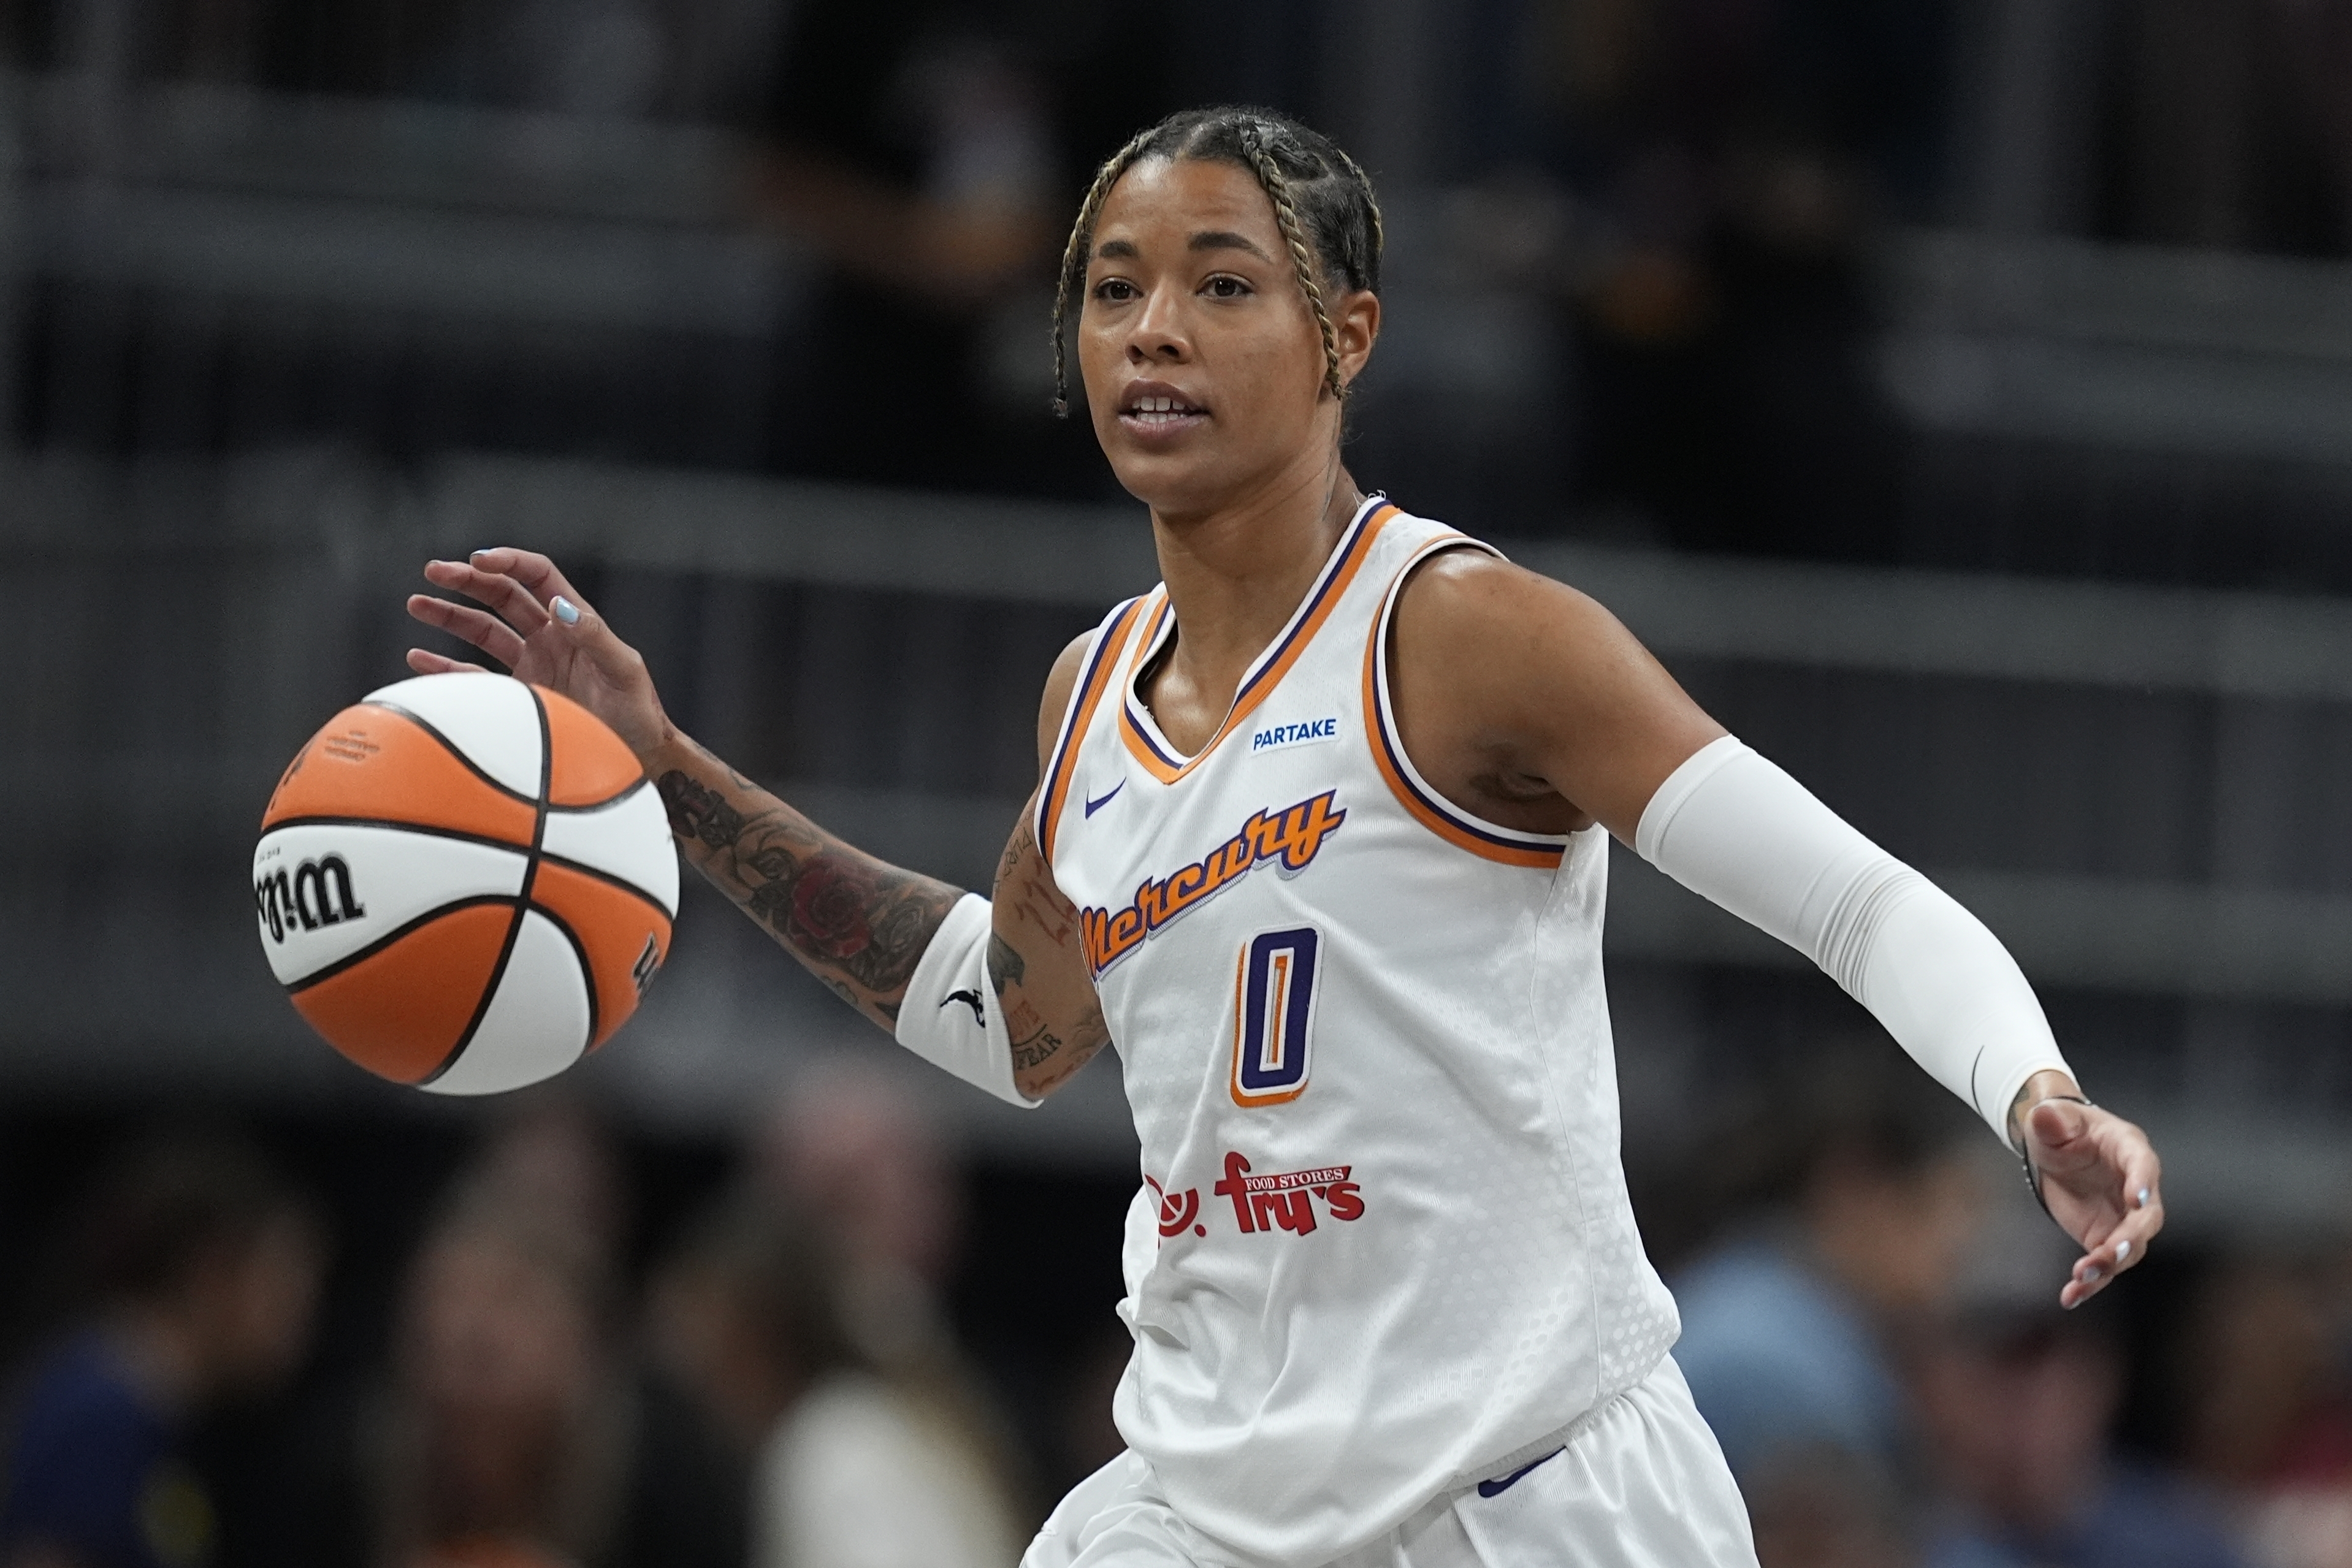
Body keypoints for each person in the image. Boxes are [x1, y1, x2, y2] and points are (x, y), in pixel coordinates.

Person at [402, 104, 2169, 1568]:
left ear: (1346, 334)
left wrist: (2027, 1085)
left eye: (1218, 282)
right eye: (1110, 289)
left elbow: (1849, 900)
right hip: (1208, 1499)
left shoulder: (1467, 634)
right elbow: (1009, 1023)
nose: (1149, 329)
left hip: (1527, 1495)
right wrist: (666, 767)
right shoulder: (1087, 695)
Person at [0, 1133, 323, 1568]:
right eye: (282, 1286)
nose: (300, 1320)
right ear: (214, 1272)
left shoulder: (162, 1419)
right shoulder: (95, 1415)